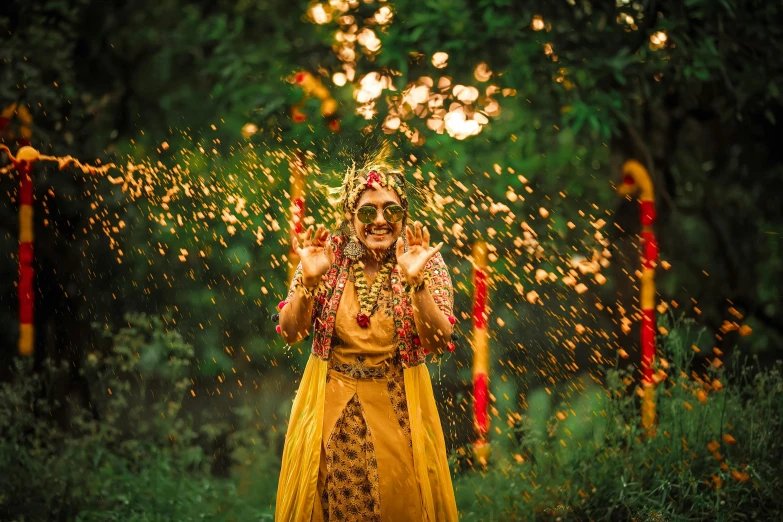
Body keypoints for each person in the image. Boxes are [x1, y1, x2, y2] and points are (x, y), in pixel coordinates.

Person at [274, 148, 459, 521]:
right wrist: (308, 280)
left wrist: (416, 282)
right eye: (367, 211)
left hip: (399, 407)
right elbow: (291, 332)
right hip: (330, 410)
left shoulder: (423, 258)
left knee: (401, 506)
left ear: (403, 216)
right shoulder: (326, 256)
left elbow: (439, 343)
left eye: (390, 211)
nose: (379, 220)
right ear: (349, 217)